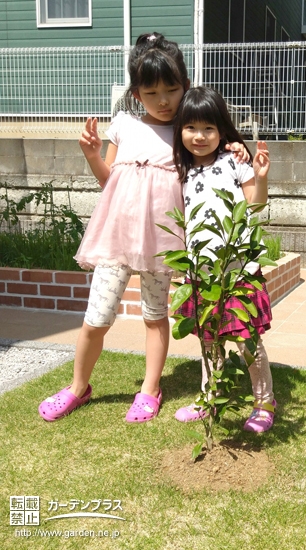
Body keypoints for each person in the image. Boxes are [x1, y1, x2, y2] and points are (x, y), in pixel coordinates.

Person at [38, 33, 248, 424]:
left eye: (172, 89)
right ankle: (77, 387)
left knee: (155, 316)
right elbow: (110, 182)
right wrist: (91, 155)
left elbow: (217, 162)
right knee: (96, 318)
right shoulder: (123, 126)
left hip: (163, 243)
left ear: (185, 84)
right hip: (117, 237)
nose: (165, 100)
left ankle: (150, 389)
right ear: (137, 94)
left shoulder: (189, 133)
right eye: (153, 92)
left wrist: (235, 149)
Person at [171, 86, 276, 433]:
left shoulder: (234, 160)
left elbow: (255, 205)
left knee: (247, 340)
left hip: (236, 271)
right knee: (209, 339)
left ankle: (264, 401)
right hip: (202, 272)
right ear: (180, 130)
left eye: (209, 129)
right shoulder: (182, 169)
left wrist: (259, 177)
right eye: (191, 128)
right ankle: (209, 397)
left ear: (222, 130)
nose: (199, 137)